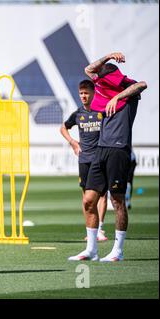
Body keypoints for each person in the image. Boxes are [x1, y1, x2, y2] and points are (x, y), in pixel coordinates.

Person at [68, 52, 147, 262]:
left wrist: (118, 97)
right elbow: (89, 69)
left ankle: (117, 251)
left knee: (117, 201)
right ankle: (91, 250)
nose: (102, 75)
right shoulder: (101, 90)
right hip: (100, 150)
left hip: (119, 149)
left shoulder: (128, 93)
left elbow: (143, 84)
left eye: (107, 73)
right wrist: (108, 56)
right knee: (88, 200)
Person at [60, 80, 108, 241]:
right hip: (84, 159)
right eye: (81, 93)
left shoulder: (101, 111)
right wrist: (73, 143)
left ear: (93, 93)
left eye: (86, 93)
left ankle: (100, 229)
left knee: (101, 194)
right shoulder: (78, 114)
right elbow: (63, 127)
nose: (83, 96)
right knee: (86, 197)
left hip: (100, 158)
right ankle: (90, 231)